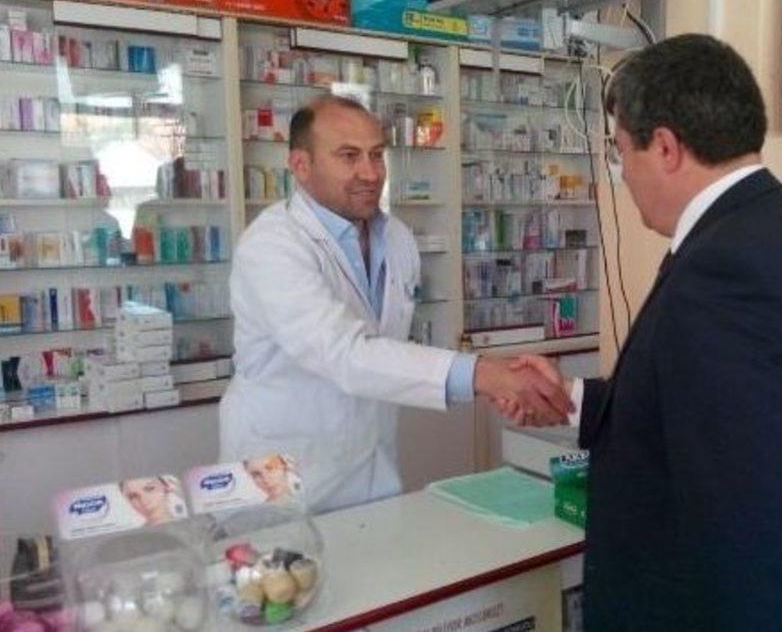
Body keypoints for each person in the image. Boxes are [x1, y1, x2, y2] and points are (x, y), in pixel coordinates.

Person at [518, 34, 782, 630]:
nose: (623, 174)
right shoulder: (776, 229)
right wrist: (574, 399)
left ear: (665, 147)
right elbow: (708, 417)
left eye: (621, 152)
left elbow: (740, 527)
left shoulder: (726, 272)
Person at [219, 95, 572, 514]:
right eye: (349, 156)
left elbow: (388, 354)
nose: (370, 173)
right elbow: (344, 353)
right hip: (281, 478)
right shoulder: (272, 246)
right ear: (301, 165)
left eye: (376, 155)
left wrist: (497, 384)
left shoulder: (397, 238)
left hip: (370, 470)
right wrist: (484, 376)